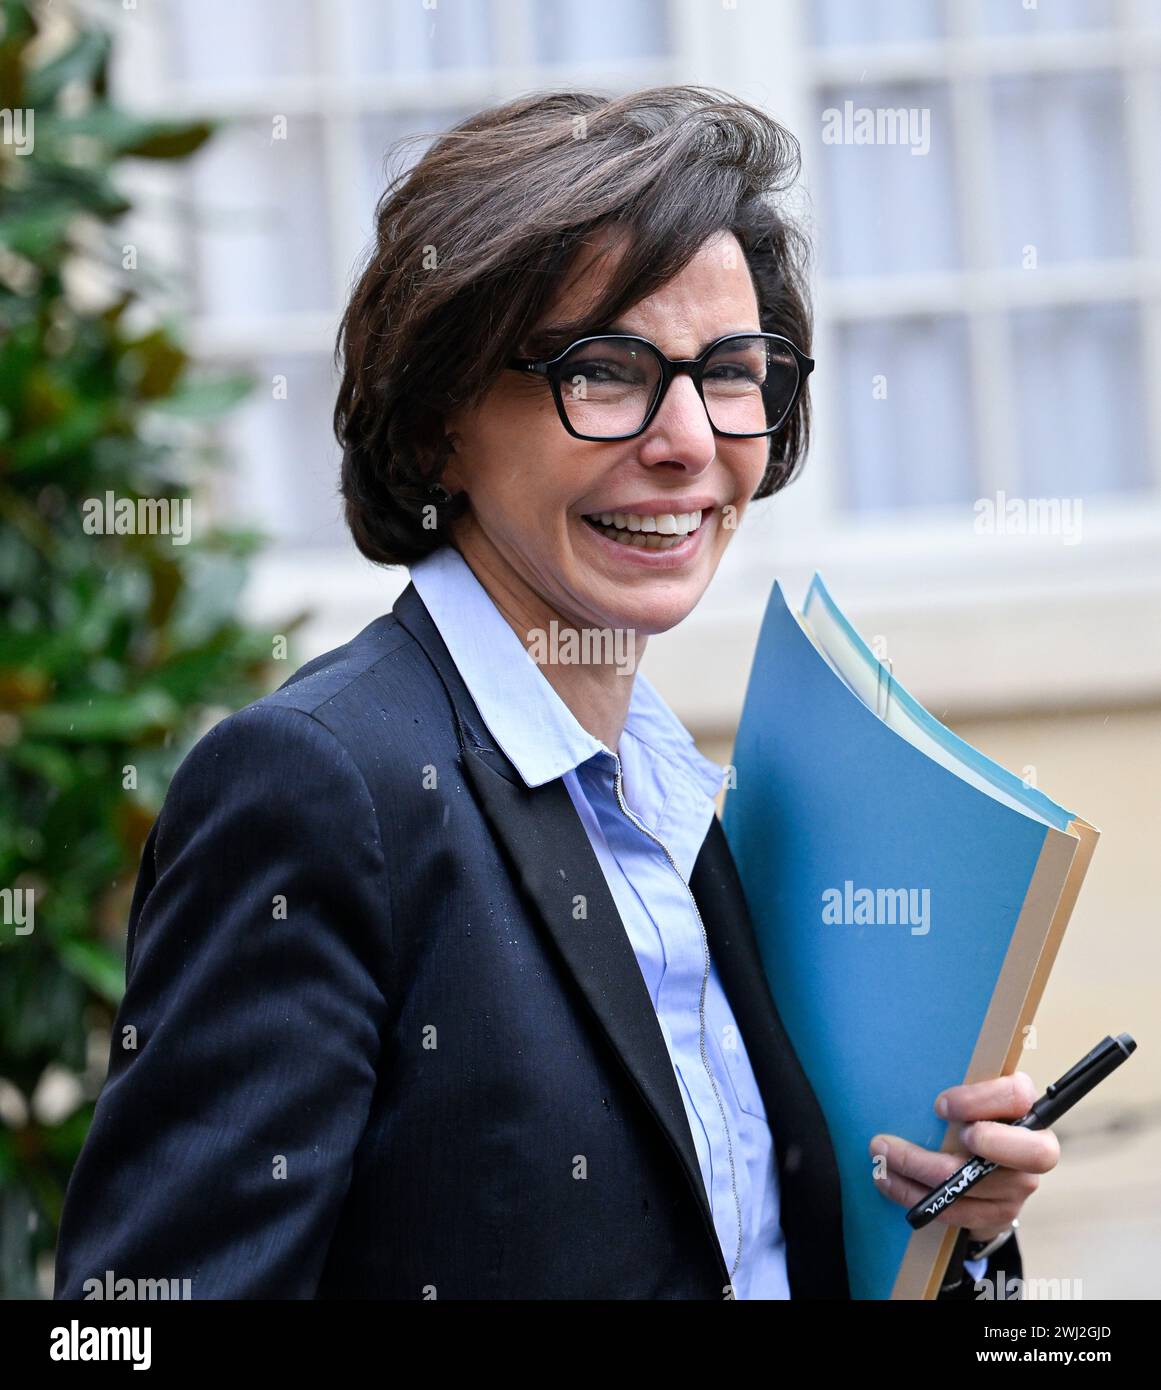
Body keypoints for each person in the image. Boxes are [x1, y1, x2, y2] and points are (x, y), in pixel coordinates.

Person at [53, 85, 1055, 1300]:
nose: (690, 439)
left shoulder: (682, 792)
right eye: (608, 370)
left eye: (730, 371)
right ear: (435, 429)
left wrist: (957, 1229)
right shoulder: (322, 786)